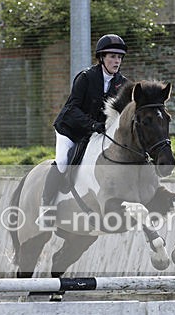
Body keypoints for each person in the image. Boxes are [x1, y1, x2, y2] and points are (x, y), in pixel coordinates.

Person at [41, 34, 130, 211]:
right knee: (62, 161)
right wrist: (92, 125)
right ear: (102, 58)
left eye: (119, 57)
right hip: (70, 129)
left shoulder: (123, 84)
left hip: (95, 134)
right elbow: (73, 108)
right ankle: (46, 206)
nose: (116, 61)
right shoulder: (86, 77)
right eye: (112, 56)